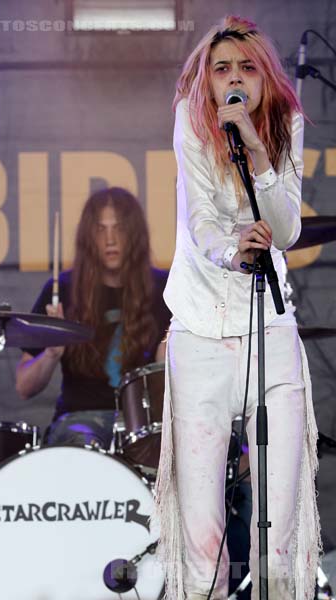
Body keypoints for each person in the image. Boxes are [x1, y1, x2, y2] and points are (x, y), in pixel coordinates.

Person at [154, 15, 321, 600]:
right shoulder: (192, 124)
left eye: (246, 68)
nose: (234, 77)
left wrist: (256, 147)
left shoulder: (285, 123)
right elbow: (200, 216)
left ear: (265, 79)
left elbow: (286, 228)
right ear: (206, 77)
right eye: (221, 67)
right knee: (203, 539)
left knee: (276, 530)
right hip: (200, 331)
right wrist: (232, 252)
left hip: (269, 328)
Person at [16, 187, 171, 449]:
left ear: (134, 234)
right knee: (83, 440)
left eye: (119, 228)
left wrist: (166, 357)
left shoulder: (164, 287)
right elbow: (24, 386)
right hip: (78, 419)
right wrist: (51, 354)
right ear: (89, 237)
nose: (110, 239)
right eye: (100, 230)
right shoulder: (62, 289)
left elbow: (167, 378)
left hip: (141, 422)